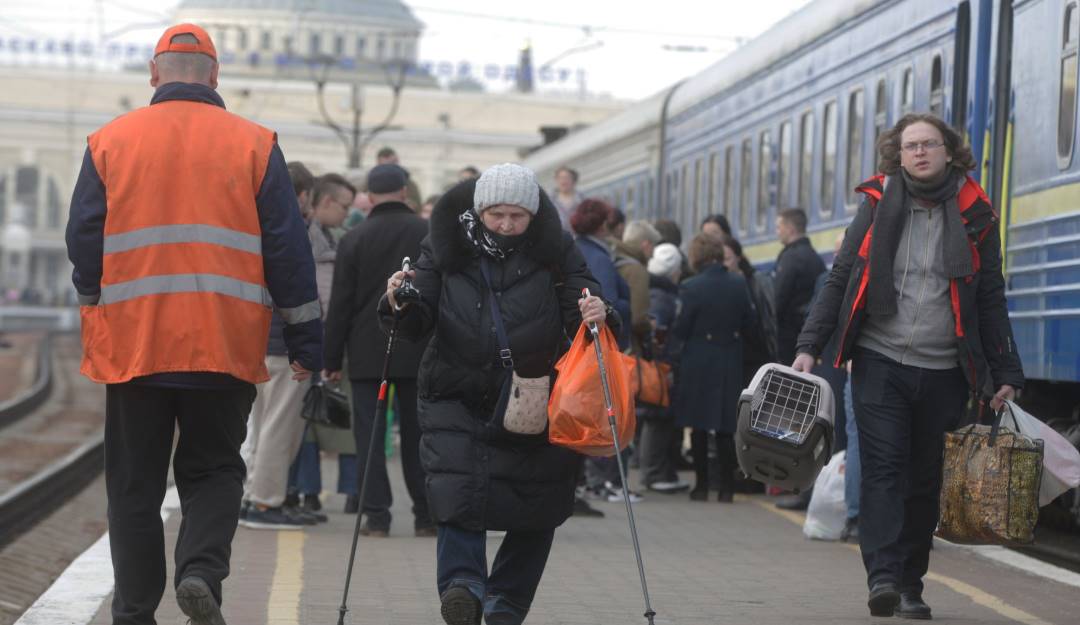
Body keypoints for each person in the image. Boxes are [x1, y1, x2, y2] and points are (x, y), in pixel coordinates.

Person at [65, 24, 322, 625]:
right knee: (213, 469)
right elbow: (288, 250)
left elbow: (84, 236)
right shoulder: (255, 143)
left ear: (154, 75)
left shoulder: (110, 141)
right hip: (223, 342)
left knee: (134, 486)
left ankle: (133, 611)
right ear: (215, 75)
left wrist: (93, 298)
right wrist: (307, 337)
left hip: (134, 344)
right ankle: (201, 571)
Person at [793, 113, 1024, 619]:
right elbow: (842, 279)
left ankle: (911, 582)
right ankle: (882, 575)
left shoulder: (975, 213)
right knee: (882, 469)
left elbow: (989, 296)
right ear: (897, 155)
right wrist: (810, 344)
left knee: (924, 479)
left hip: (944, 367)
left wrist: (1006, 371)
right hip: (879, 360)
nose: (920, 153)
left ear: (949, 152)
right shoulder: (876, 205)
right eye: (910, 145)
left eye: (929, 144)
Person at [381, 163, 613, 625]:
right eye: (496, 215)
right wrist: (398, 301)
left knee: (540, 504)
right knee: (454, 492)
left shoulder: (557, 251)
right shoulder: (444, 245)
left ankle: (506, 600)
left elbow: (583, 306)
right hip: (454, 391)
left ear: (532, 215)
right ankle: (463, 587)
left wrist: (598, 311)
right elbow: (416, 316)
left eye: (516, 216)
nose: (506, 225)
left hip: (534, 397)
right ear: (478, 210)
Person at [324, 164, 434, 537]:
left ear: (369, 197)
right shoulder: (427, 233)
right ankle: (425, 515)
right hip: (419, 349)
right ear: (405, 192)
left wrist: (331, 359)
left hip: (368, 352)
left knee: (369, 435)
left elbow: (340, 303)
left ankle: (376, 516)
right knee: (420, 435)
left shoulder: (354, 239)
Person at [239, 166, 333, 531]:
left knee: (260, 426)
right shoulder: (291, 230)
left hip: (259, 341)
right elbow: (300, 291)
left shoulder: (255, 222)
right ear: (305, 195)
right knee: (279, 428)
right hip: (285, 344)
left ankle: (251, 496)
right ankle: (266, 502)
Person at [287, 173, 360, 517]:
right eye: (344, 206)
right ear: (326, 202)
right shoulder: (305, 241)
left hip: (332, 337)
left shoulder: (339, 238)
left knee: (338, 417)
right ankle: (309, 491)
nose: (347, 213)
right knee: (308, 421)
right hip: (309, 336)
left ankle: (348, 491)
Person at [672, 234, 753, 503]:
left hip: (698, 361)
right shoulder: (738, 283)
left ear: (696, 256)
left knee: (698, 426)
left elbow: (682, 327)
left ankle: (701, 486)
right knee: (725, 427)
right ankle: (727, 488)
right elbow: (749, 322)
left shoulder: (691, 286)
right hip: (730, 358)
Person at [638, 242, 689, 494]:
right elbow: (657, 333)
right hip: (662, 366)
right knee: (658, 418)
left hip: (662, 363)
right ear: (673, 271)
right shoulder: (663, 297)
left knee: (659, 418)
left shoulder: (658, 292)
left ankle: (660, 471)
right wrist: (662, 363)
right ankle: (654, 472)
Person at [773, 208, 826, 364]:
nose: (777, 232)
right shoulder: (815, 257)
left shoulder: (790, 258)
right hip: (808, 333)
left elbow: (779, 297)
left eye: (779, 227)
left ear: (790, 229)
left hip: (789, 334)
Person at [551, 165, 584, 230]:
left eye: (566, 177)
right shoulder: (550, 201)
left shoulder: (581, 198)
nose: (563, 180)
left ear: (573, 180)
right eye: (560, 178)